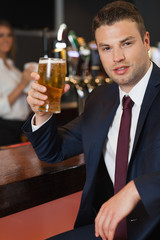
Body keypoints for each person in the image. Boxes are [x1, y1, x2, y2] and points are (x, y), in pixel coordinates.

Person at [23, 1, 160, 239]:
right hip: (107, 231)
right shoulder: (101, 99)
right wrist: (43, 114)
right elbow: (53, 152)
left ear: (146, 41)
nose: (117, 57)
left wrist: (137, 190)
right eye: (106, 48)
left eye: (126, 43)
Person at [0, 20, 32, 146]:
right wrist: (22, 85)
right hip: (4, 132)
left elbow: (23, 102)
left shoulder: (13, 68)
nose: (6, 39)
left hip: (20, 130)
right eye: (1, 35)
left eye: (9, 35)